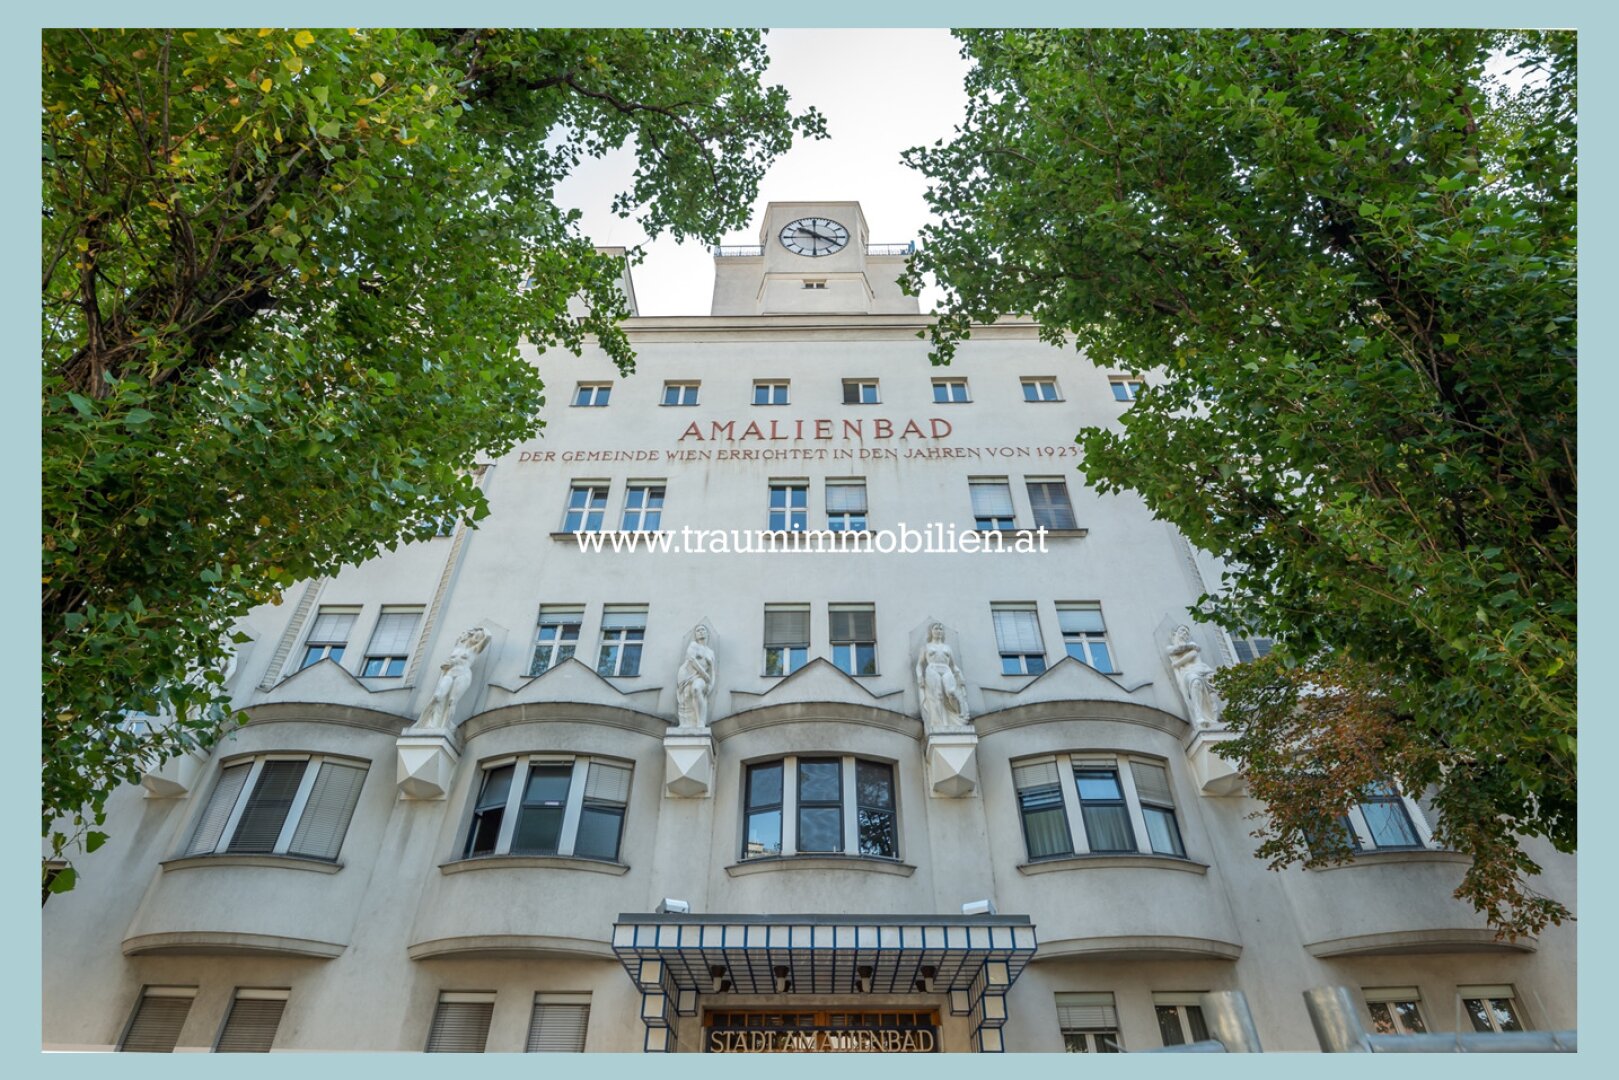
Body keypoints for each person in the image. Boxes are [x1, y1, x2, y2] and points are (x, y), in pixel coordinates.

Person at [417, 626, 491, 731]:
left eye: (479, 637)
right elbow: (448, 662)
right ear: (471, 635)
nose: (477, 638)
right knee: (437, 696)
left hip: (463, 674)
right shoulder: (457, 648)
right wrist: (446, 665)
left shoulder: (474, 650)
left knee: (452, 701)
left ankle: (444, 725)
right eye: (476, 636)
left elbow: (488, 637)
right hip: (450, 674)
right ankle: (431, 723)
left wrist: (480, 629)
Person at [916, 623, 971, 732]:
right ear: (931, 632)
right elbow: (919, 664)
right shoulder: (926, 647)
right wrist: (920, 676)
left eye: (941, 629)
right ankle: (941, 724)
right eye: (936, 629)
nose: (938, 631)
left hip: (946, 669)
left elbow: (953, 665)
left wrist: (960, 675)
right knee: (937, 695)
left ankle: (959, 715)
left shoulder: (947, 648)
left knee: (951, 692)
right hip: (932, 669)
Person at [1166, 624, 1222, 728]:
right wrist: (1190, 647)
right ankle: (1199, 716)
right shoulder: (1176, 647)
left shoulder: (1192, 645)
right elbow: (1173, 650)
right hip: (1189, 672)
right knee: (1195, 682)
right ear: (1175, 634)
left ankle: (1213, 717)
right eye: (1182, 631)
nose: (1185, 634)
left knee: (1214, 690)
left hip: (1203, 669)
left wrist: (1177, 663)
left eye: (1187, 633)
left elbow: (1194, 654)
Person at [676, 624, 716, 729]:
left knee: (696, 688)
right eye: (698, 631)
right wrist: (704, 674)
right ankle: (686, 723)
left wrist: (711, 684)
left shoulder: (711, 652)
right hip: (687, 674)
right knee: (685, 697)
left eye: (703, 630)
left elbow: (712, 670)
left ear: (707, 633)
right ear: (695, 635)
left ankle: (700, 722)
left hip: (701, 677)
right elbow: (692, 660)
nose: (701, 632)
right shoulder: (693, 645)